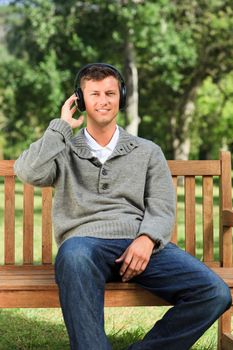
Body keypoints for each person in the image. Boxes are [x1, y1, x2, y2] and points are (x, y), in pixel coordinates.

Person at [14, 63, 231, 350]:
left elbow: (162, 205)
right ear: (79, 99)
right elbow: (27, 172)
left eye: (110, 93)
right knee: (74, 255)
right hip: (84, 248)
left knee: (214, 292)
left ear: (122, 97)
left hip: (139, 246)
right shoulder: (63, 150)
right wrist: (62, 127)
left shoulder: (148, 150)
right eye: (94, 94)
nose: (103, 101)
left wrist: (147, 238)